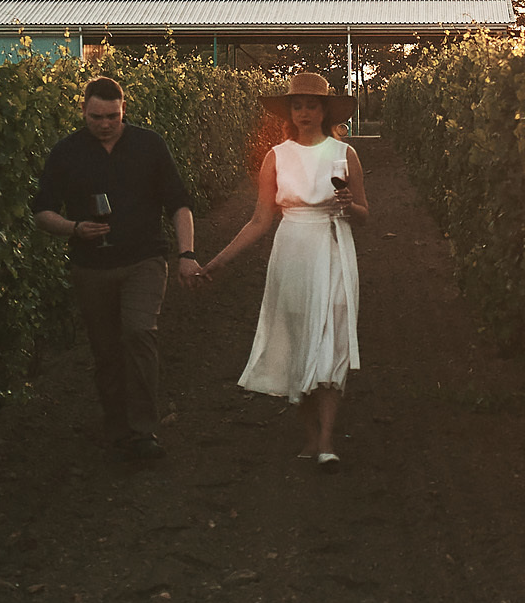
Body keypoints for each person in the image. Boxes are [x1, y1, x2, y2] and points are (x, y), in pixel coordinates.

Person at [30, 76, 202, 461]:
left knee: (139, 333)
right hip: (90, 266)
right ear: (83, 111)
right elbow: (42, 211)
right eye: (96, 117)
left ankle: (143, 432)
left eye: (112, 116)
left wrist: (186, 253)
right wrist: (74, 228)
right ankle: (117, 430)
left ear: (124, 110)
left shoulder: (149, 145)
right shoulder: (66, 152)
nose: (104, 124)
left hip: (144, 259)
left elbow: (179, 203)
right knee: (106, 351)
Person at [203, 71, 368, 470]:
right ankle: (311, 437)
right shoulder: (275, 157)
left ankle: (327, 440)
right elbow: (260, 220)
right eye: (298, 105)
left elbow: (364, 214)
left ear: (325, 110)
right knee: (299, 338)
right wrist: (218, 262)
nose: (305, 112)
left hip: (332, 247)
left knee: (331, 340)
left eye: (312, 105)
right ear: (290, 111)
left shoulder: (344, 154)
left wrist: (348, 205)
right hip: (292, 249)